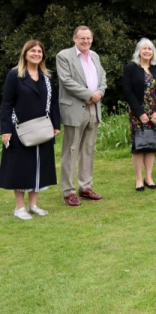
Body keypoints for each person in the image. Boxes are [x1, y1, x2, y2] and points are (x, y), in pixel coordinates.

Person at [1, 40, 61, 220]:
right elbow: (6, 104)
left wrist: (56, 125)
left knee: (40, 166)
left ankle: (33, 205)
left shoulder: (47, 76)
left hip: (42, 128)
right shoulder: (14, 75)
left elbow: (53, 103)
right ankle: (19, 207)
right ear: (25, 53)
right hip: (19, 129)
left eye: (39, 51)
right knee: (20, 167)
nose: (36, 54)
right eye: (32, 51)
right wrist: (6, 129)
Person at [56, 26, 107, 207]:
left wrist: (99, 92)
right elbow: (66, 81)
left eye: (88, 38)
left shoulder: (95, 56)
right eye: (82, 38)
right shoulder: (64, 56)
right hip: (75, 108)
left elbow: (102, 77)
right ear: (74, 39)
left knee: (88, 149)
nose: (85, 41)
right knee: (71, 151)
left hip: (95, 108)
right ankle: (68, 191)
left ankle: (85, 187)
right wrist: (89, 95)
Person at [123, 39, 156, 191]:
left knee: (151, 145)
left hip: (155, 114)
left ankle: (149, 177)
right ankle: (138, 179)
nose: (147, 51)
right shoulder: (131, 68)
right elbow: (127, 92)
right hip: (138, 114)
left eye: (150, 49)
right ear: (139, 51)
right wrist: (140, 113)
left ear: (153, 52)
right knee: (139, 146)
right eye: (144, 49)